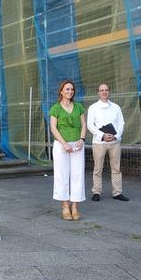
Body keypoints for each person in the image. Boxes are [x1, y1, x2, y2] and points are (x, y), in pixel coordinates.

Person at [49, 79, 87, 221]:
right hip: (61, 145)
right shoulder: (55, 108)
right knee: (62, 174)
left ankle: (75, 206)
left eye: (71, 89)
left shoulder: (78, 107)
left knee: (78, 174)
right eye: (67, 89)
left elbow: (84, 125)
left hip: (77, 144)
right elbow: (53, 127)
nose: (70, 92)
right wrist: (64, 144)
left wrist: (82, 140)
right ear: (61, 91)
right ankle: (65, 205)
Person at [86, 83, 128, 202]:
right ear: (98, 92)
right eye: (101, 90)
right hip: (99, 143)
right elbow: (90, 125)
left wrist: (115, 136)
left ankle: (117, 192)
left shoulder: (116, 107)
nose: (104, 92)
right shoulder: (93, 108)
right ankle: (96, 192)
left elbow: (121, 124)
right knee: (98, 168)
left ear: (109, 92)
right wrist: (102, 135)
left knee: (116, 168)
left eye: (106, 90)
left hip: (114, 143)